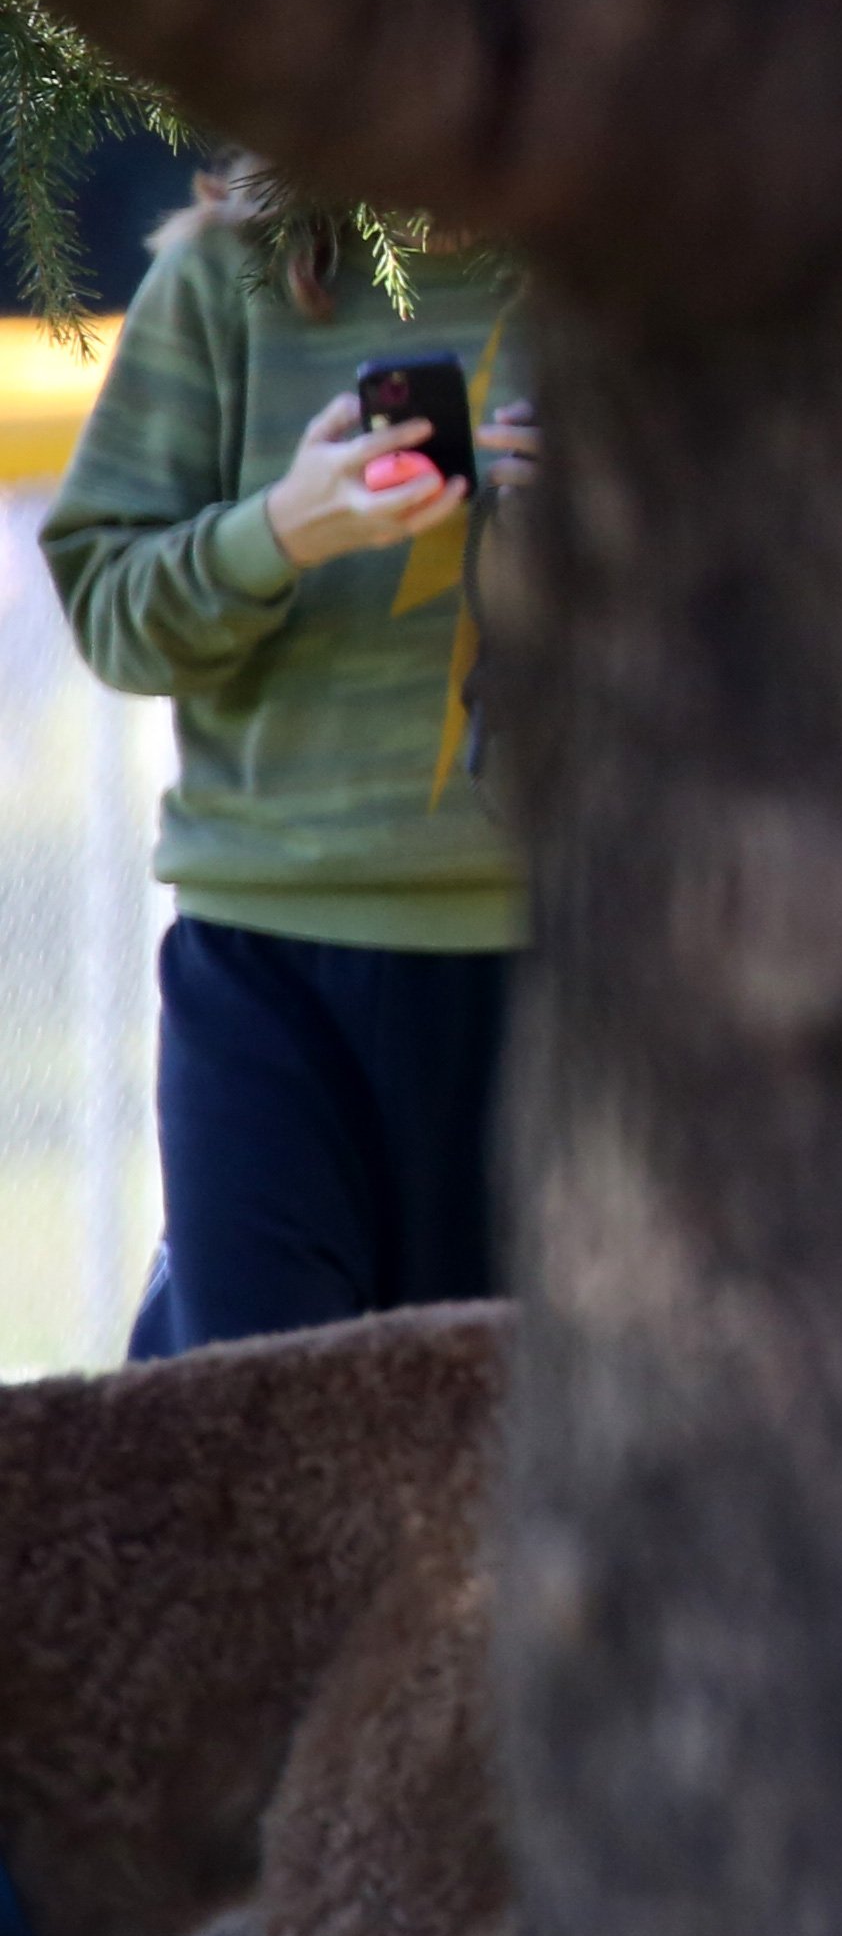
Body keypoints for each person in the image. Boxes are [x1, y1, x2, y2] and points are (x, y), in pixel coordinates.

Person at [37, 169, 535, 1356]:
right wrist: (280, 533)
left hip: (567, 964)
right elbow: (108, 609)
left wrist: (629, 522)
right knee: (247, 1415)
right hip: (269, 966)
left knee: (520, 1457)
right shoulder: (220, 277)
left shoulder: (642, 280)